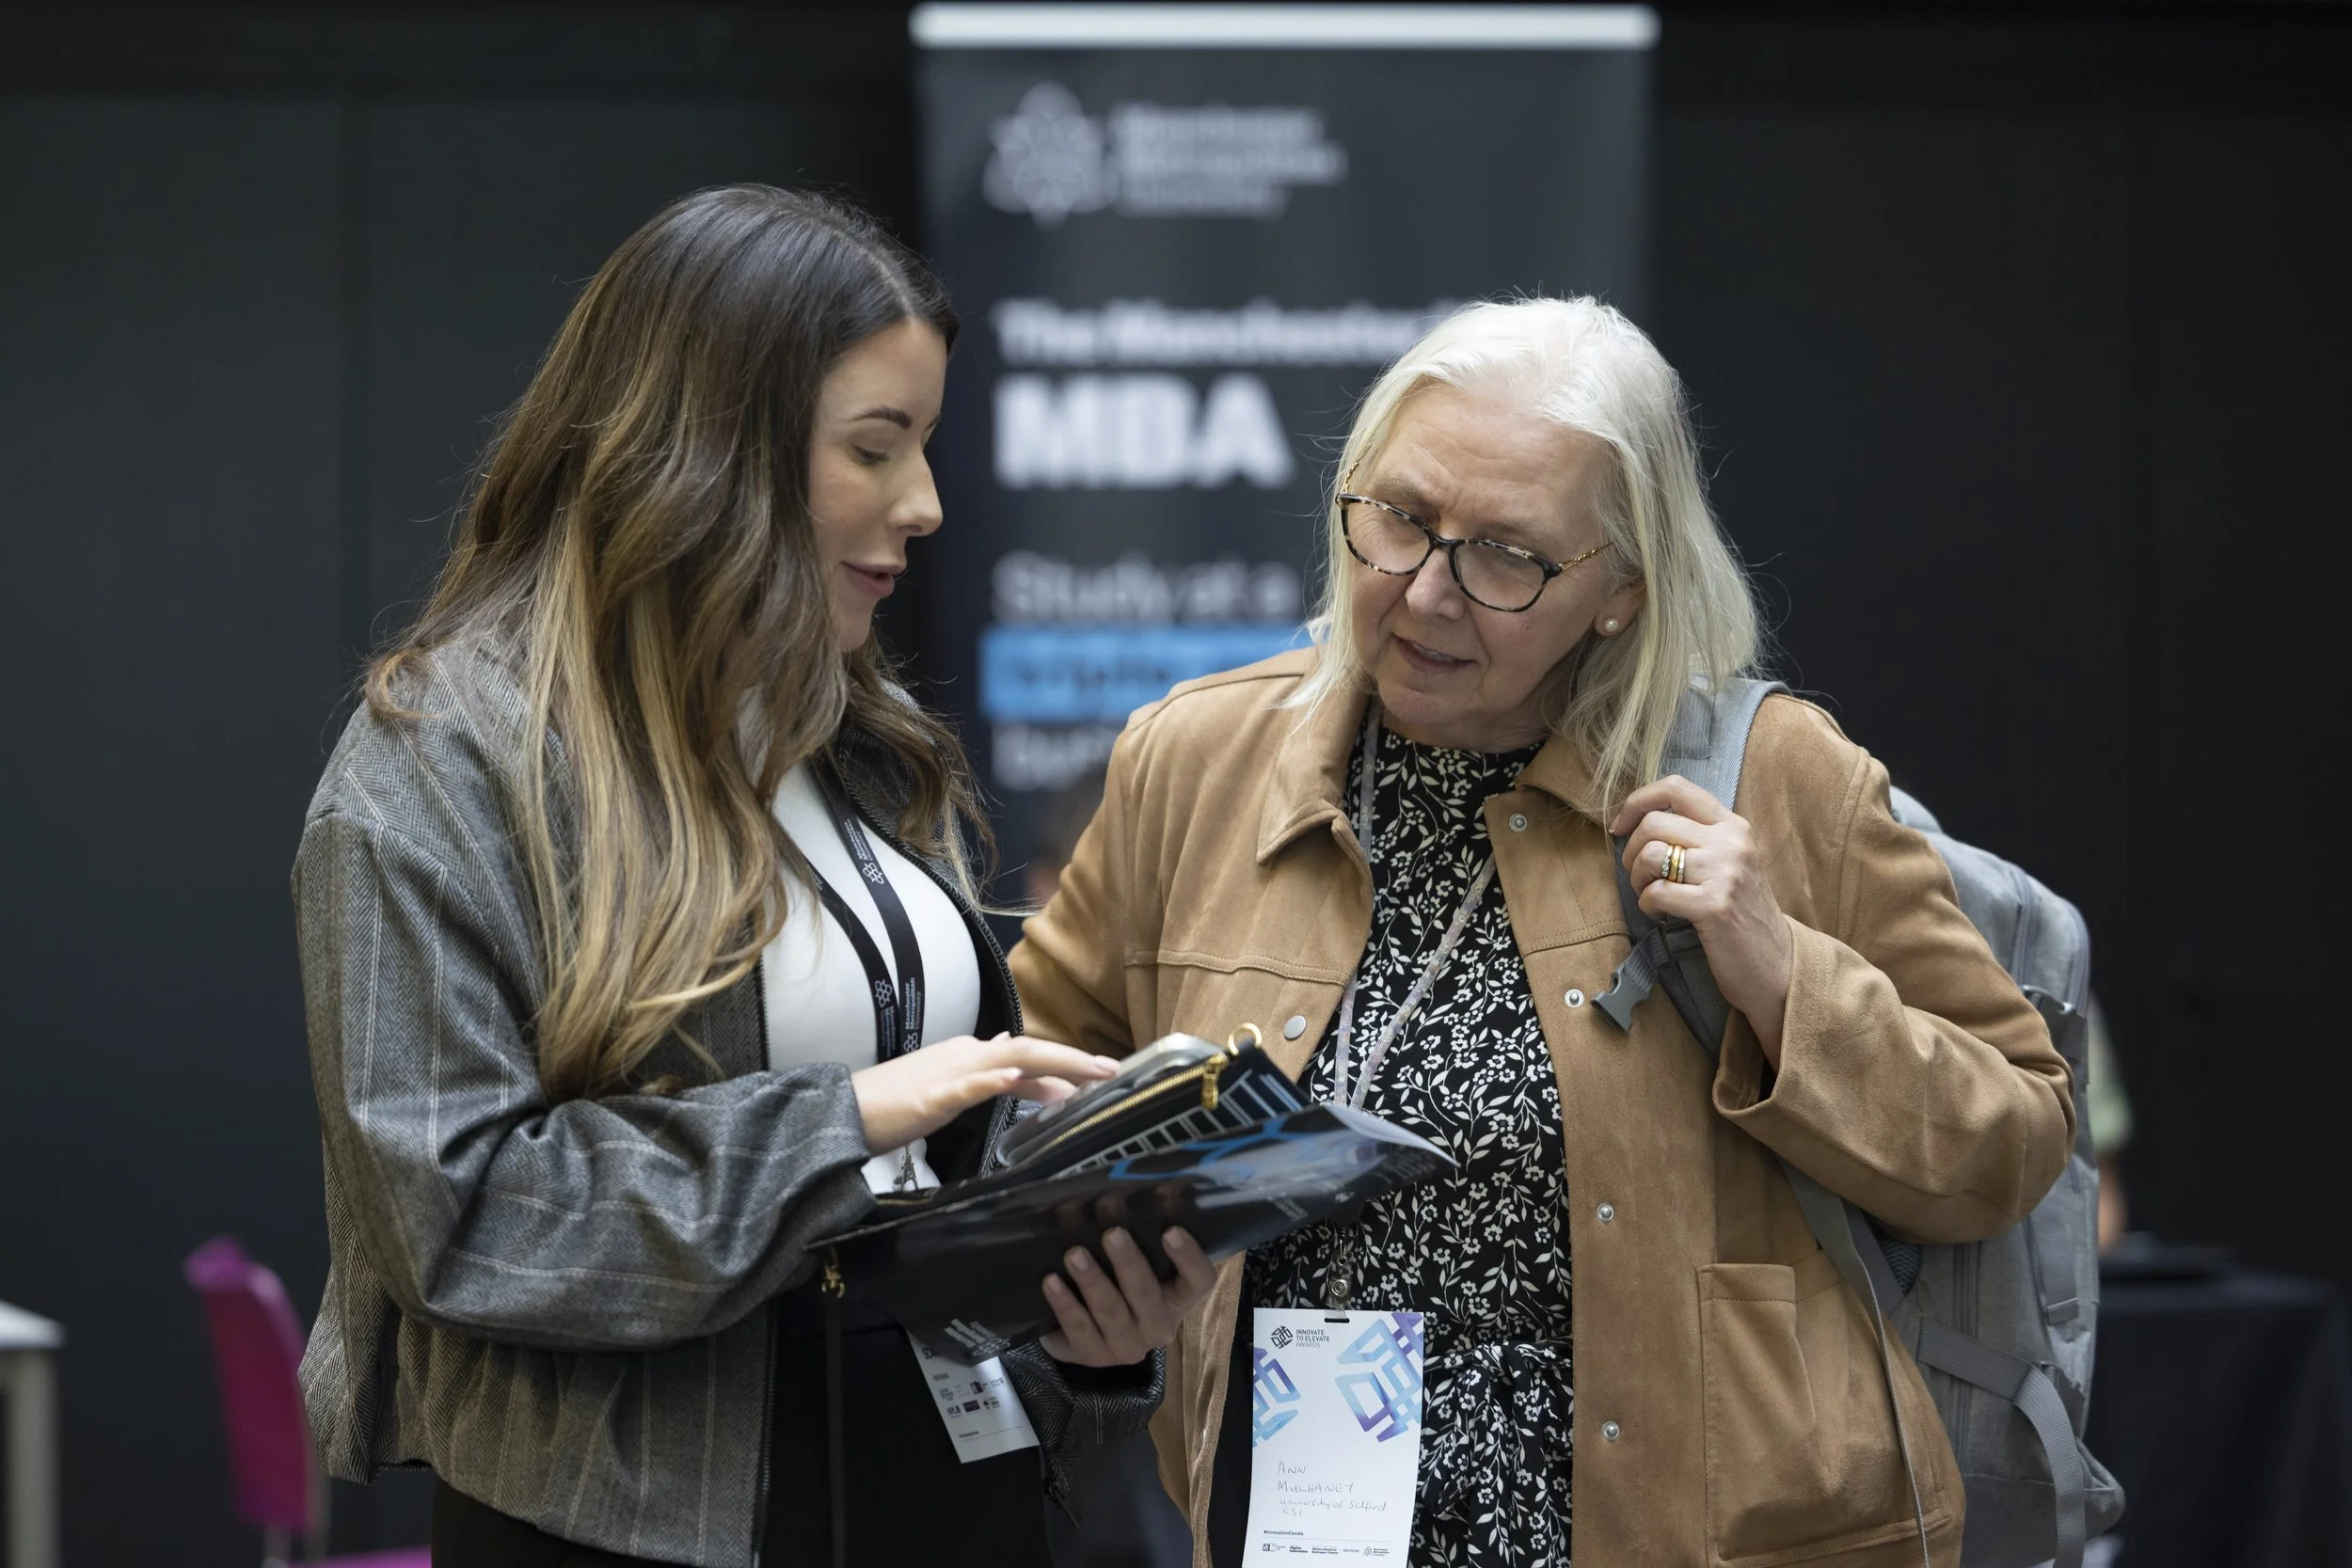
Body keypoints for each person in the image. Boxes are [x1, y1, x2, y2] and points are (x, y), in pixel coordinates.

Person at [1009, 296, 2076, 1567]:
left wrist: (1787, 978)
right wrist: (1099, 1298)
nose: (1425, 590)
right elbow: (1027, 1092)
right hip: (1311, 1528)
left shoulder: (1778, 778)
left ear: (1621, 588)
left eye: (1506, 555)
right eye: (1398, 518)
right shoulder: (1192, 763)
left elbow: (2014, 1136)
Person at [293, 185, 1217, 1568]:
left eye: (926, 443)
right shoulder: (443, 758)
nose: (926, 502)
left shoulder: (855, 735)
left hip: (946, 1492)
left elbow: (928, 1165)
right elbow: (453, 1215)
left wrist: (1086, 1310)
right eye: (875, 446)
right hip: (626, 1524)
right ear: (708, 447)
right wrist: (837, 1121)